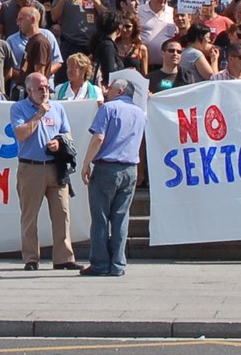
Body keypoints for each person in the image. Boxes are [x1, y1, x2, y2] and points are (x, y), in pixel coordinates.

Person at [79, 78, 145, 278]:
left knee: (100, 218)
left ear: (120, 91)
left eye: (110, 88)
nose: (106, 91)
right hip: (130, 168)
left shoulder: (108, 109)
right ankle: (118, 263)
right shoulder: (140, 113)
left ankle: (100, 264)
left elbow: (98, 138)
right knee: (121, 218)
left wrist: (86, 163)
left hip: (107, 167)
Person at [11, 72, 76, 272]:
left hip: (55, 167)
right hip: (31, 168)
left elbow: (67, 134)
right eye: (40, 88)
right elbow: (21, 134)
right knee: (29, 216)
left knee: (62, 213)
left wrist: (59, 142)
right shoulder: (19, 108)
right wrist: (39, 114)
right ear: (29, 90)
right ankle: (31, 258)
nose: (45, 91)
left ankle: (63, 258)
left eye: (47, 87)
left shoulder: (58, 108)